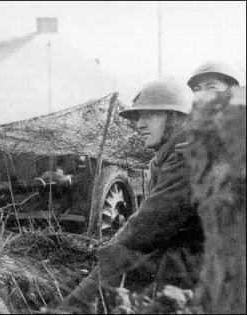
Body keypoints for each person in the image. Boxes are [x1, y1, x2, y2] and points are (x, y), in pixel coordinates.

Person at [55, 78, 205, 313]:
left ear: (175, 117)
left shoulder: (187, 153)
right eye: (139, 117)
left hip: (199, 262)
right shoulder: (170, 153)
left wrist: (110, 249)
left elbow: (151, 223)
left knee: (118, 262)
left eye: (150, 116)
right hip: (186, 254)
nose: (140, 125)